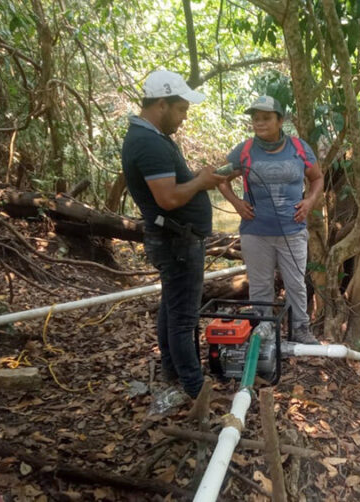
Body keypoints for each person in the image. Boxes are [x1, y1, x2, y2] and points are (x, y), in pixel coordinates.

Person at [121, 70, 225, 398]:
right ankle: (195, 389)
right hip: (176, 242)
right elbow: (168, 199)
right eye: (181, 110)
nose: (183, 118)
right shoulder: (149, 142)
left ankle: (172, 372)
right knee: (183, 318)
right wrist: (201, 182)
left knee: (172, 307)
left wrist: (200, 178)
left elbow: (172, 186)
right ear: (162, 104)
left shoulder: (152, 137)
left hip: (174, 239)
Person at [218, 96, 323, 344]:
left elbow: (317, 178)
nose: (259, 123)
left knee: (296, 283)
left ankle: (300, 329)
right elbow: (219, 177)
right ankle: (264, 329)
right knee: (260, 284)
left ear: (280, 120)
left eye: (266, 118)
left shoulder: (299, 148)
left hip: (293, 230)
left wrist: (309, 202)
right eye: (256, 118)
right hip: (255, 231)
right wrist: (236, 203)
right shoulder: (244, 150)